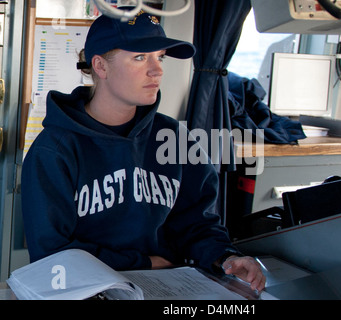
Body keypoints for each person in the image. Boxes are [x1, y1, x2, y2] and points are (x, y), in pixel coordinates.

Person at [21, 8, 265, 292]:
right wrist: (144, 263)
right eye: (140, 57)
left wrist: (227, 257)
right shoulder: (54, 151)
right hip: (87, 292)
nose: (157, 69)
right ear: (100, 66)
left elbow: (198, 225)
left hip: (168, 287)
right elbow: (51, 254)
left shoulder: (176, 140)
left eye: (159, 57)